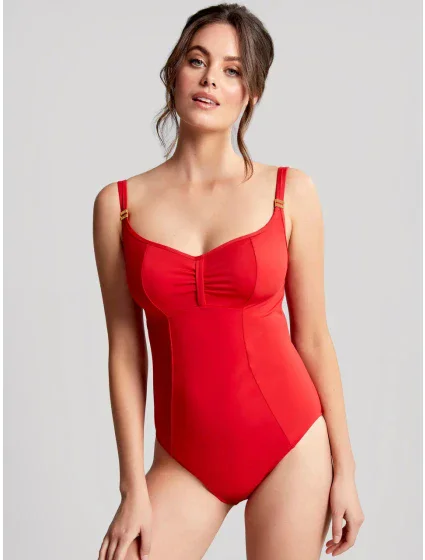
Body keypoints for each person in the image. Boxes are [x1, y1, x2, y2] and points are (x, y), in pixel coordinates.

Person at [93, 4, 365, 559]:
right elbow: (125, 348)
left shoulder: (290, 192)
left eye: (232, 69)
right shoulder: (118, 205)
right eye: (197, 60)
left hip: (289, 441)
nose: (211, 78)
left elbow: (313, 337)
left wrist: (346, 471)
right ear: (174, 72)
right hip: (185, 458)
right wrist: (132, 487)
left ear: (252, 93)